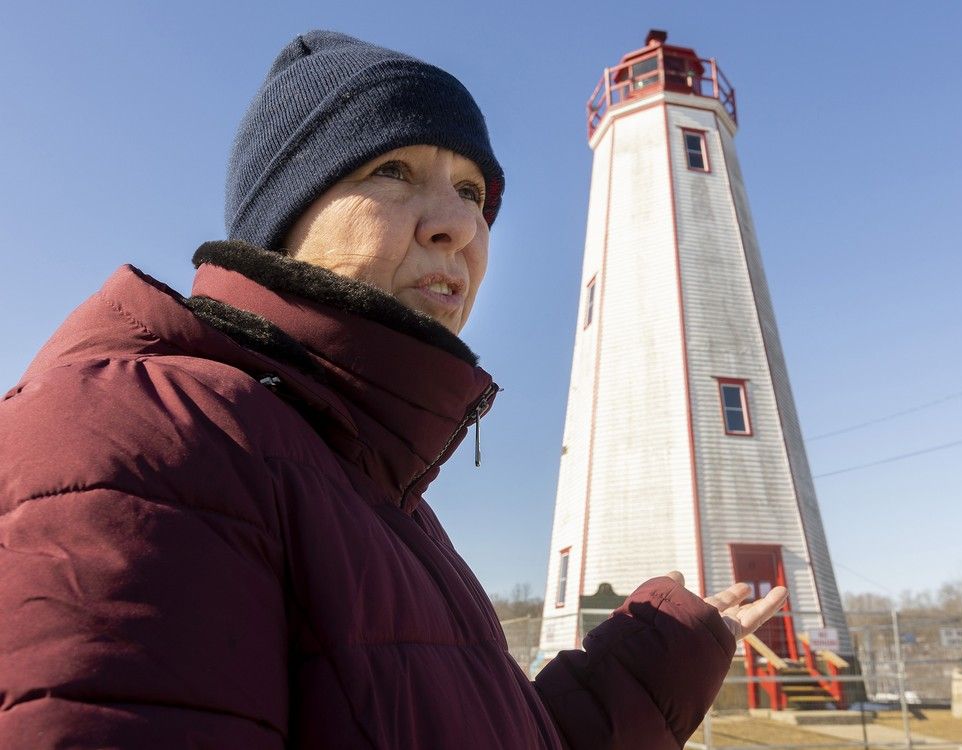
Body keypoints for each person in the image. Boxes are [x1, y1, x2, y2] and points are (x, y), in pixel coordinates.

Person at [0, 30, 787, 748]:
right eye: (394, 170)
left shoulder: (367, 482)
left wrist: (662, 658)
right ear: (287, 214)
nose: (459, 226)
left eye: (475, 192)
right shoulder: (140, 437)